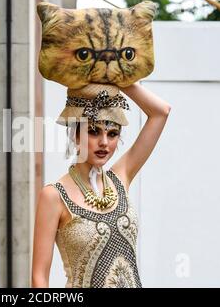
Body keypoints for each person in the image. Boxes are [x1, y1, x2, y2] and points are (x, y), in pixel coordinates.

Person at [32, 82, 171, 288]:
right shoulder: (53, 196)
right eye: (94, 131)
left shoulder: (120, 177)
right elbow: (39, 277)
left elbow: (161, 112)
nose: (104, 142)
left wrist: (120, 81)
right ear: (75, 135)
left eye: (112, 133)